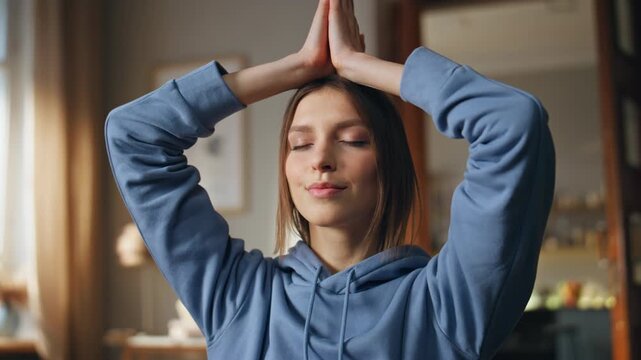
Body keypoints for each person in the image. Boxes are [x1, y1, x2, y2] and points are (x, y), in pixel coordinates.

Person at [105, 0, 555, 359]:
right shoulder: (238, 295)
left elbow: (512, 122)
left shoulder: (447, 305)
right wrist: (299, 67)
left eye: (354, 140)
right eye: (300, 144)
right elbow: (133, 134)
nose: (320, 158)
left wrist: (361, 66)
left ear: (390, 164)